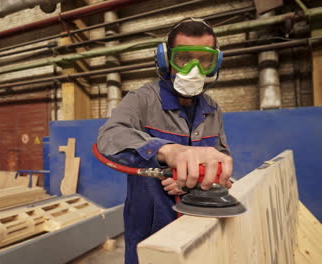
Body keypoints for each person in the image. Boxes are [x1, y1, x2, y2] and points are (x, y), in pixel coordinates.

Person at [96, 17, 233, 264]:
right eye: (183, 59)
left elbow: (220, 157)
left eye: (204, 60)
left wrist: (198, 180)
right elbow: (109, 137)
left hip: (200, 225)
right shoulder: (142, 100)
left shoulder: (213, 109)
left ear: (215, 63)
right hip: (151, 226)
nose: (194, 70)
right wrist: (167, 152)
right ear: (165, 59)